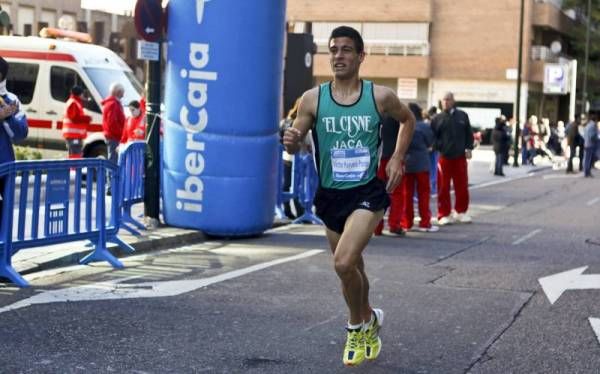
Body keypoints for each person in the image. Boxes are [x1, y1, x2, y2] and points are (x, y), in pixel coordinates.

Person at [283, 26, 415, 367]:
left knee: (342, 262)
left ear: (360, 56)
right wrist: (292, 140)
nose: (338, 56)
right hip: (331, 196)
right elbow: (298, 137)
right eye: (333, 50)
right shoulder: (314, 98)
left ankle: (356, 326)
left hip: (367, 194)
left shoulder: (379, 96)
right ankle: (369, 317)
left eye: (345, 50)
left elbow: (408, 120)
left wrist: (398, 157)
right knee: (352, 268)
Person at [431, 92, 474, 225]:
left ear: (453, 101)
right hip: (444, 157)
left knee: (461, 185)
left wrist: (469, 148)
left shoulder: (462, 115)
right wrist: (438, 147)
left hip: (460, 157)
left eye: (448, 100)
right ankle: (443, 214)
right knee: (443, 187)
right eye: (443, 100)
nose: (445, 102)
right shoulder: (437, 118)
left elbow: (469, 133)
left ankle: (461, 212)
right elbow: (433, 137)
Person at [0, 56, 28, 226]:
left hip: (5, 165)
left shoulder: (11, 100)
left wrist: (6, 118)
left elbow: (21, 134)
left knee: (5, 213)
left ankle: (4, 248)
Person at [400, 103, 437, 232]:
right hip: (422, 162)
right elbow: (431, 142)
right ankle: (424, 223)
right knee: (423, 194)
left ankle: (406, 222)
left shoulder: (403, 125)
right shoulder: (424, 126)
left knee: (407, 194)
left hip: (407, 162)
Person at [373, 115, 405, 236]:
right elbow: (403, 137)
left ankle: (376, 227)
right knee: (397, 193)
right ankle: (394, 225)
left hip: (377, 158)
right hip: (393, 158)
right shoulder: (396, 115)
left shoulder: (372, 112)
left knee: (376, 193)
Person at [279, 99, 305, 220]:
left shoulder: (285, 121)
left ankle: (288, 210)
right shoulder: (298, 123)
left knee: (287, 184)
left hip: (284, 157)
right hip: (296, 157)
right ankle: (298, 211)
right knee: (296, 185)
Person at [62, 85, 91, 159]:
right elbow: (74, 118)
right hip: (73, 135)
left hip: (73, 135)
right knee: (75, 155)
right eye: (82, 94)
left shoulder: (74, 102)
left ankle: (74, 170)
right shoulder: (74, 103)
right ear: (80, 94)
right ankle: (74, 170)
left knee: (75, 155)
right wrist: (87, 118)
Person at [102, 82, 125, 164]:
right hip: (114, 136)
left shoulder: (111, 103)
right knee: (113, 160)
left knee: (113, 158)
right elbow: (112, 123)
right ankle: (112, 177)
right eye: (122, 92)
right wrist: (122, 134)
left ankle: (112, 176)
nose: (123, 95)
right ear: (118, 92)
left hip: (112, 136)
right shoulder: (113, 104)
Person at [583, 113, 598, 178]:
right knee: (588, 159)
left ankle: (587, 172)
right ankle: (587, 173)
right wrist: (597, 138)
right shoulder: (593, 125)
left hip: (586, 143)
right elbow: (592, 136)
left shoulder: (588, 125)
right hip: (591, 144)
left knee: (587, 159)